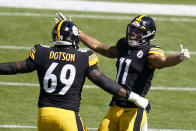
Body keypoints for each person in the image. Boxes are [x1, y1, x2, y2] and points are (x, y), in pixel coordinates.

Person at [0, 17, 150, 131]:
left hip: (43, 115)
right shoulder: (83, 57)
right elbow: (103, 82)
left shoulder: (41, 52)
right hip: (68, 116)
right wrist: (132, 96)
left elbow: (14, 67)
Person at [55, 13, 190, 131]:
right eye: (132, 29)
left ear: (148, 35)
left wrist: (179, 58)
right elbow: (100, 47)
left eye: (138, 32)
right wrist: (77, 32)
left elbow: (163, 62)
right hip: (115, 106)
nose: (132, 33)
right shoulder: (124, 45)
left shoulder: (149, 51)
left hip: (134, 108)